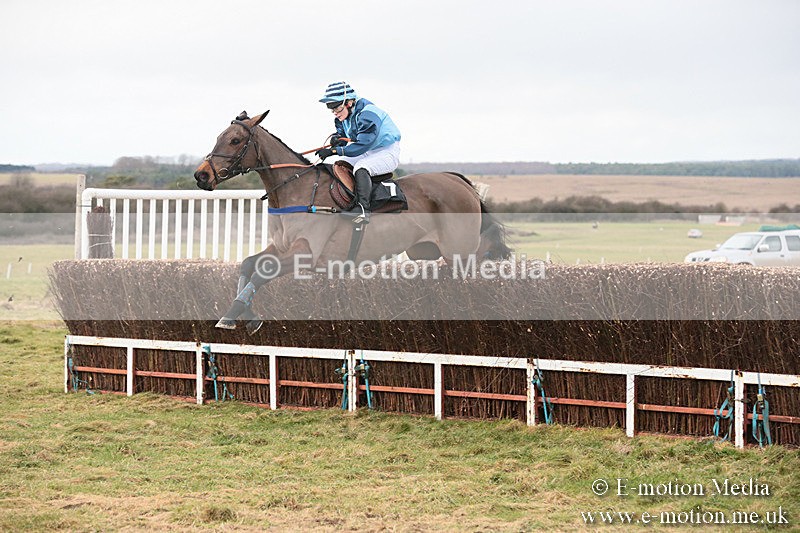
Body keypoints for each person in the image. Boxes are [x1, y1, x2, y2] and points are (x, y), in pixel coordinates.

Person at [315, 81, 401, 222]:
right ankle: (348, 201)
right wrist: (337, 140)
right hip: (369, 151)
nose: (335, 113)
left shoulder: (367, 114)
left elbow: (362, 144)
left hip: (387, 151)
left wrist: (335, 150)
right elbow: (344, 137)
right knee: (340, 164)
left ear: (349, 103)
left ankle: (363, 209)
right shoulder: (343, 116)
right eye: (332, 110)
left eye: (337, 109)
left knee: (362, 168)